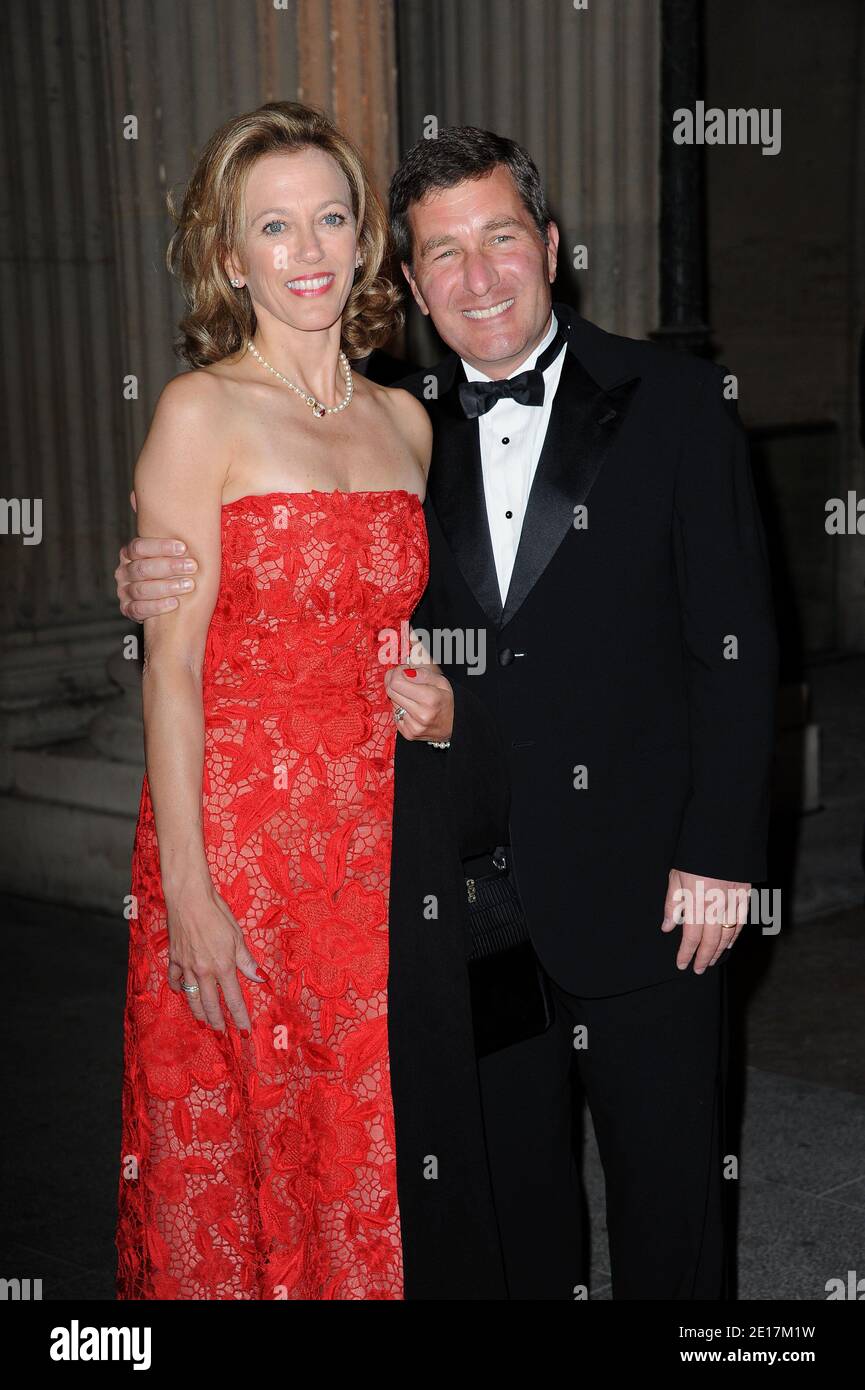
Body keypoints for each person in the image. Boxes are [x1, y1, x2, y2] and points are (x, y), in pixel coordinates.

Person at [117, 125, 779, 1300]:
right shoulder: (410, 415)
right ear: (410, 280)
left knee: (670, 1207)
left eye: (501, 241)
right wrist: (148, 586)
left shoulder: (667, 401)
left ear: (552, 248)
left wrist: (721, 855)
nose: (477, 278)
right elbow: (235, 617)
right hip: (447, 893)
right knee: (492, 1208)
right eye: (445, 255)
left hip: (645, 887)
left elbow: (736, 648)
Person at [114, 102, 508, 1302]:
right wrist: (187, 888)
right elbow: (170, 669)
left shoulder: (406, 421)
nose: (308, 250)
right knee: (233, 1164)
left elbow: (431, 617)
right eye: (273, 227)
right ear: (231, 258)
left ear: (365, 239)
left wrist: (439, 680)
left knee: (363, 1148)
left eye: (331, 217)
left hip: (377, 847)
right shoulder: (200, 411)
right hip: (235, 844)